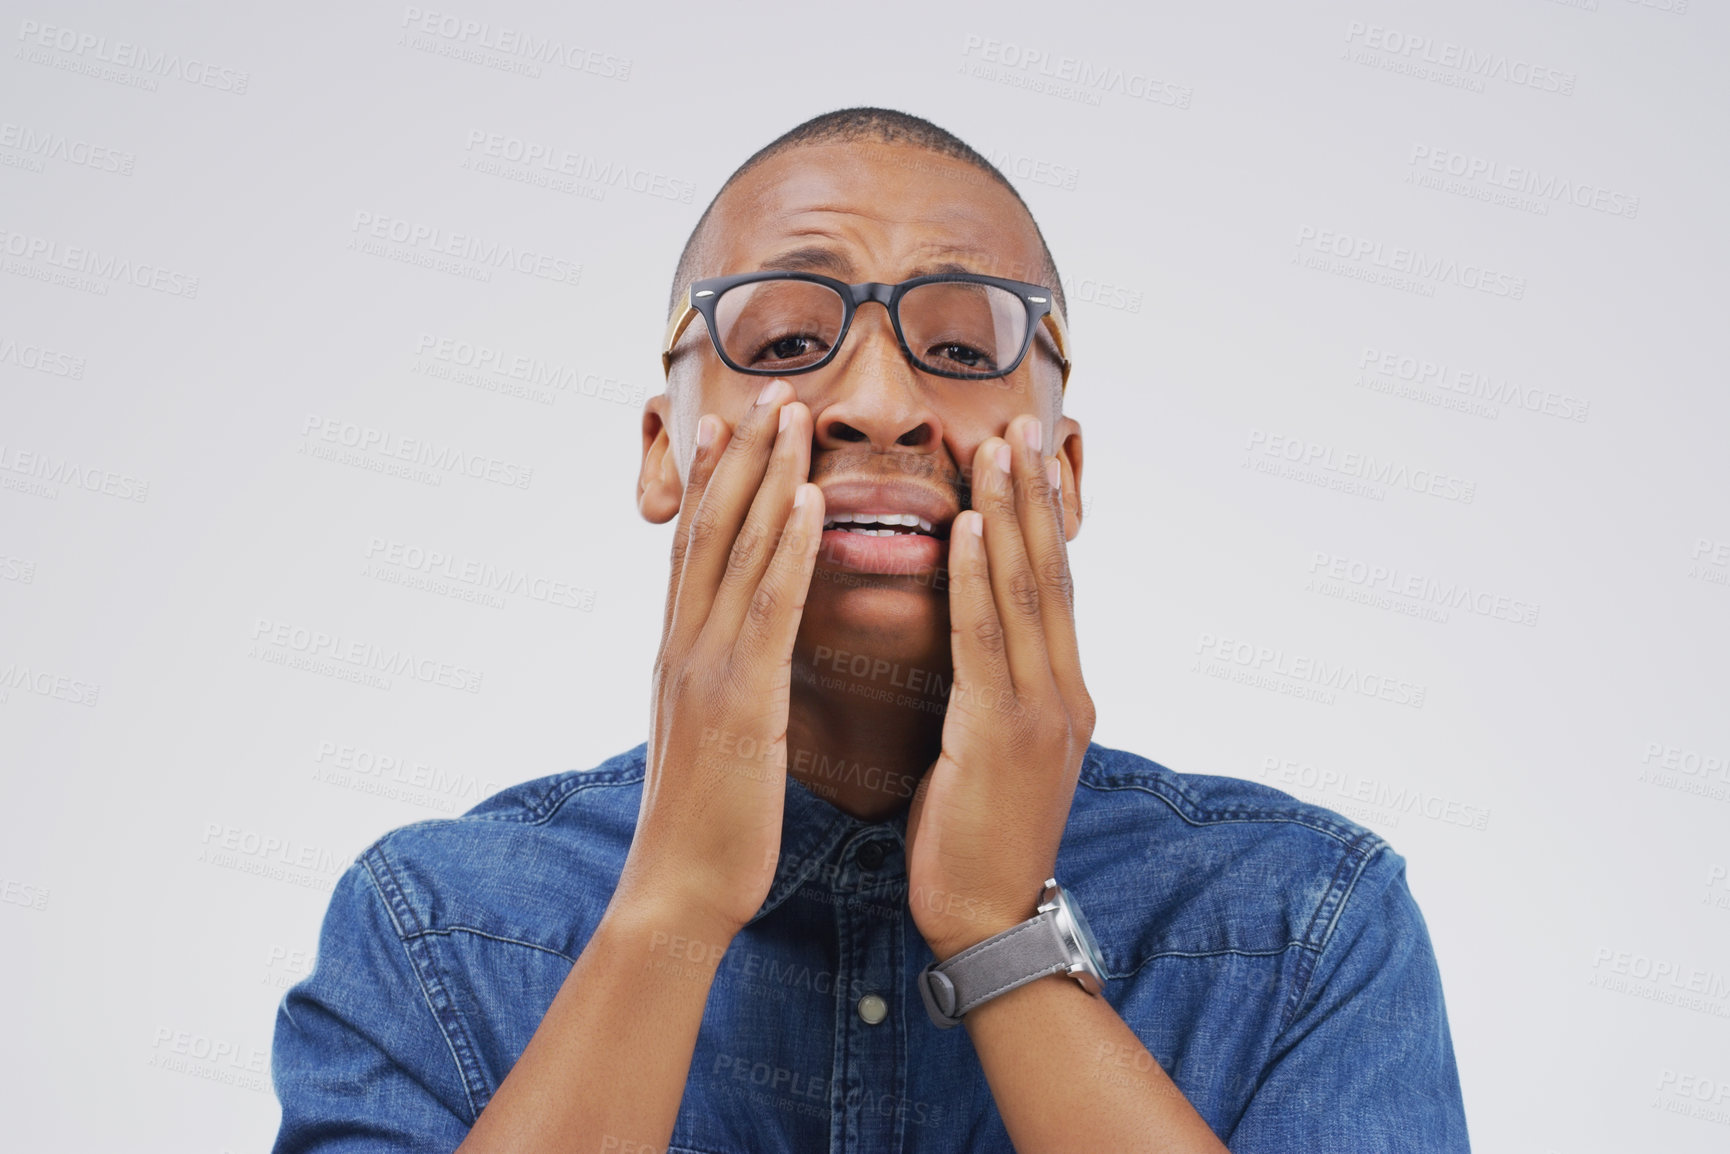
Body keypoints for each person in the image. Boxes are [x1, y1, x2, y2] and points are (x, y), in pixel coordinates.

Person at [270, 107, 1470, 1153]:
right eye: (787, 341)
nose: (881, 404)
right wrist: (675, 899)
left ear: (1062, 471)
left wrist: (999, 934)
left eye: (960, 347)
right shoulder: (429, 928)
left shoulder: (1305, 922)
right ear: (659, 450)